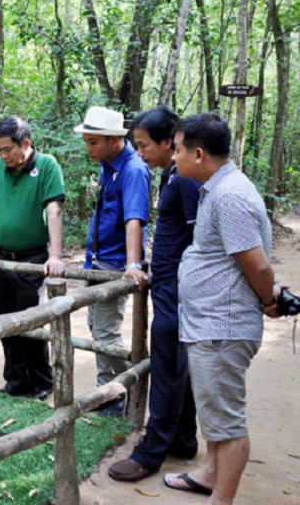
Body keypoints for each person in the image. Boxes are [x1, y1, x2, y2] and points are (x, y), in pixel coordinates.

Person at [163, 112, 282, 503]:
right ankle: (210, 474)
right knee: (215, 412)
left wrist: (268, 300)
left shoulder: (229, 196)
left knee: (227, 421)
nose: (172, 157)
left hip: (223, 326)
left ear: (198, 154)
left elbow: (258, 264)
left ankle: (221, 498)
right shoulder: (218, 188)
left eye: (177, 150)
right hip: (211, 324)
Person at [109, 106, 200, 481]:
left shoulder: (186, 180)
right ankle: (183, 438)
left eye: (145, 146)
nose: (141, 153)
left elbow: (201, 239)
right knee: (181, 368)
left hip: (179, 289)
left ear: (169, 142)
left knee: (168, 366)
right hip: (167, 284)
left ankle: (151, 452)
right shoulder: (171, 176)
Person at [0, 116, 65, 400]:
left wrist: (56, 256)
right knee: (4, 322)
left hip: (31, 259)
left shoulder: (46, 165)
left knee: (30, 324)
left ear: (26, 144)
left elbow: (54, 210)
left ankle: (41, 381)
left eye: (7, 149)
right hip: (1, 257)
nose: (3, 155)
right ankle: (15, 379)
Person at [74, 105, 150, 416]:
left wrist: (132, 265)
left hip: (115, 264)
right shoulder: (109, 164)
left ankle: (115, 393)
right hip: (97, 260)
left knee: (106, 333)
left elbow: (135, 218)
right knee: (96, 327)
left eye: (93, 141)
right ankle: (116, 388)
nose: (88, 147)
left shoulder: (132, 169)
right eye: (87, 141)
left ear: (113, 140)